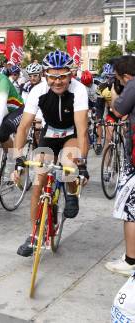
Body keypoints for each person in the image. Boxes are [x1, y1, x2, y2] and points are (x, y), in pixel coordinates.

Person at [13, 50, 89, 257]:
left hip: (71, 133)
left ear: (70, 74)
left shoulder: (79, 90)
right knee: (38, 180)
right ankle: (34, 235)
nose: (58, 82)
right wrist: (18, 160)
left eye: (63, 76)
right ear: (46, 75)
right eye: (53, 76)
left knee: (68, 162)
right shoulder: (38, 90)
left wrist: (82, 164)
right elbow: (23, 127)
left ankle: (71, 191)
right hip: (49, 134)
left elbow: (82, 130)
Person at [104, 55, 135, 276]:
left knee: (129, 210)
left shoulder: (132, 85)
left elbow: (118, 110)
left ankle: (131, 261)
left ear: (125, 76)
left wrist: (116, 93)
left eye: (119, 79)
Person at [81, 69, 102, 154]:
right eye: (86, 84)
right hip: (87, 103)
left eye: (89, 83)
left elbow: (100, 99)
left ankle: (99, 143)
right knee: (85, 121)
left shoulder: (97, 83)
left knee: (98, 122)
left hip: (97, 102)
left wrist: (97, 109)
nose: (89, 85)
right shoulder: (81, 86)